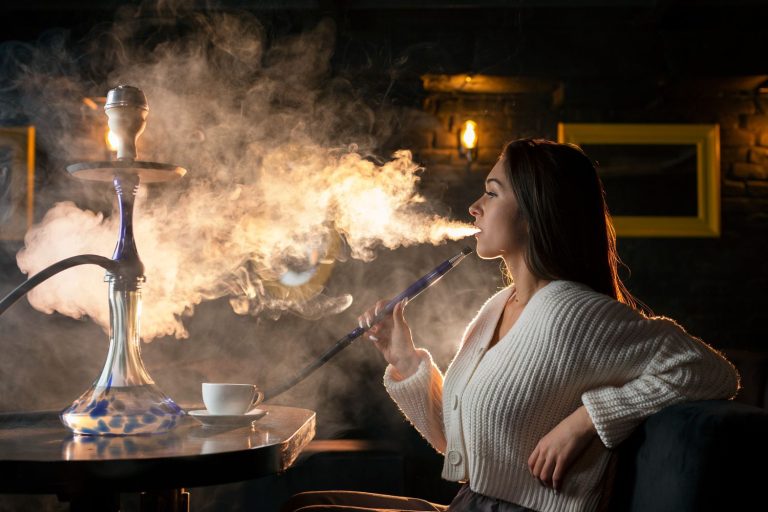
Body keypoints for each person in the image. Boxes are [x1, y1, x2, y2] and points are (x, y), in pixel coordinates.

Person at [280, 138, 740, 512]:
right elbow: (453, 443)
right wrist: (403, 358)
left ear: (534, 211)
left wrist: (588, 420)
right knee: (307, 504)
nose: (475, 207)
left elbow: (711, 372)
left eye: (492, 192)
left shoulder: (574, 311)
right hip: (471, 504)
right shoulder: (499, 305)